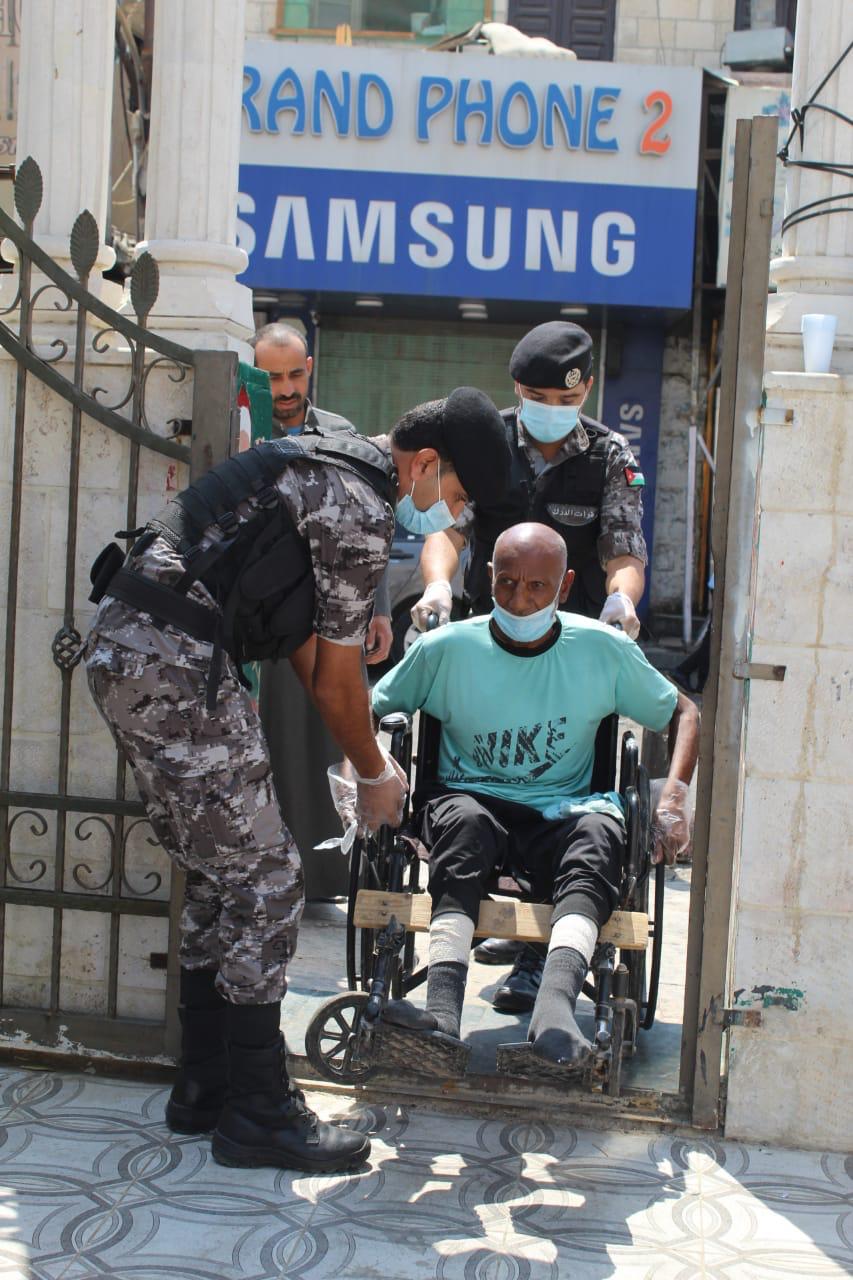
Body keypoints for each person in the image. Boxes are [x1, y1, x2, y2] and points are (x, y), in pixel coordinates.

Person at [84, 387, 511, 1173]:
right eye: (453, 498)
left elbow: (310, 649)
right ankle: (259, 1112)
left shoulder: (320, 460)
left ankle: (205, 1086)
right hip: (176, 668)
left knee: (221, 876)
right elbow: (335, 683)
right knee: (271, 882)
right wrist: (375, 772)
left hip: (133, 651)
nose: (448, 517)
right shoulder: (358, 504)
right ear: (423, 464)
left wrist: (360, 727)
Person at [371, 523, 698, 1076]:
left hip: (562, 812)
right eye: (507, 583)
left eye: (537, 586)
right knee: (462, 823)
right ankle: (441, 1013)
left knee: (602, 832)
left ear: (565, 587)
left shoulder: (601, 649)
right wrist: (367, 771)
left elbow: (684, 713)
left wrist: (673, 797)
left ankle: (554, 1014)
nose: (520, 599)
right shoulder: (447, 647)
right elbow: (374, 706)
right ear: (488, 579)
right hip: (471, 800)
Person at [410, 321, 650, 1012]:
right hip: (488, 645)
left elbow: (623, 549)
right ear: (515, 389)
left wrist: (620, 602)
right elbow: (447, 532)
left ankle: (540, 955)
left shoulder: (608, 455)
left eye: (562, 397)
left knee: (567, 783)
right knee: (470, 771)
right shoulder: (486, 442)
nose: (548, 408)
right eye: (535, 397)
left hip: (569, 654)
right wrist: (436, 586)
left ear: (586, 390)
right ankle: (473, 896)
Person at [252, 324, 389, 896]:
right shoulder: (241, 428)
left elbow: (367, 518)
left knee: (329, 736)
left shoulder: (340, 435)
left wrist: (379, 609)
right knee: (267, 742)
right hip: (261, 618)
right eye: (272, 378)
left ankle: (328, 876)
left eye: (294, 375)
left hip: (333, 611)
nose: (285, 390)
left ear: (310, 368)